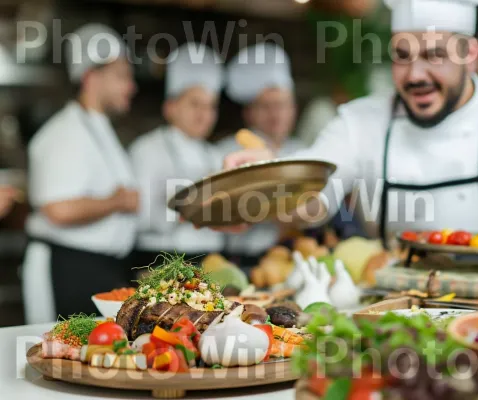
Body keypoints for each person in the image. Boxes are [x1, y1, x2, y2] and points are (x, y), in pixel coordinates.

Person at [221, 0, 478, 270]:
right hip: (392, 310)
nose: (415, 74)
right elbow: (314, 201)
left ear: (469, 53)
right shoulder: (360, 122)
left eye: (434, 55)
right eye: (402, 56)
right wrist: (271, 180)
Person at [22, 24, 139, 322]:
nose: (131, 87)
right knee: (59, 357)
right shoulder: (64, 132)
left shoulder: (98, 129)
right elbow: (58, 209)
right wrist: (117, 202)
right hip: (66, 268)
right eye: (121, 76)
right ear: (90, 77)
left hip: (99, 267)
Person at [129, 43, 225, 267]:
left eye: (211, 107)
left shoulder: (216, 155)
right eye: (195, 104)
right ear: (170, 107)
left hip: (212, 260)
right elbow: (138, 218)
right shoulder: (146, 150)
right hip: (159, 260)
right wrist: (182, 205)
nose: (204, 115)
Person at [218, 42, 305, 266]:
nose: (275, 114)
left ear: (293, 108)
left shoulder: (303, 152)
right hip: (241, 260)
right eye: (266, 106)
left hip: (292, 259)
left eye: (282, 105)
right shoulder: (229, 151)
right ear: (249, 113)